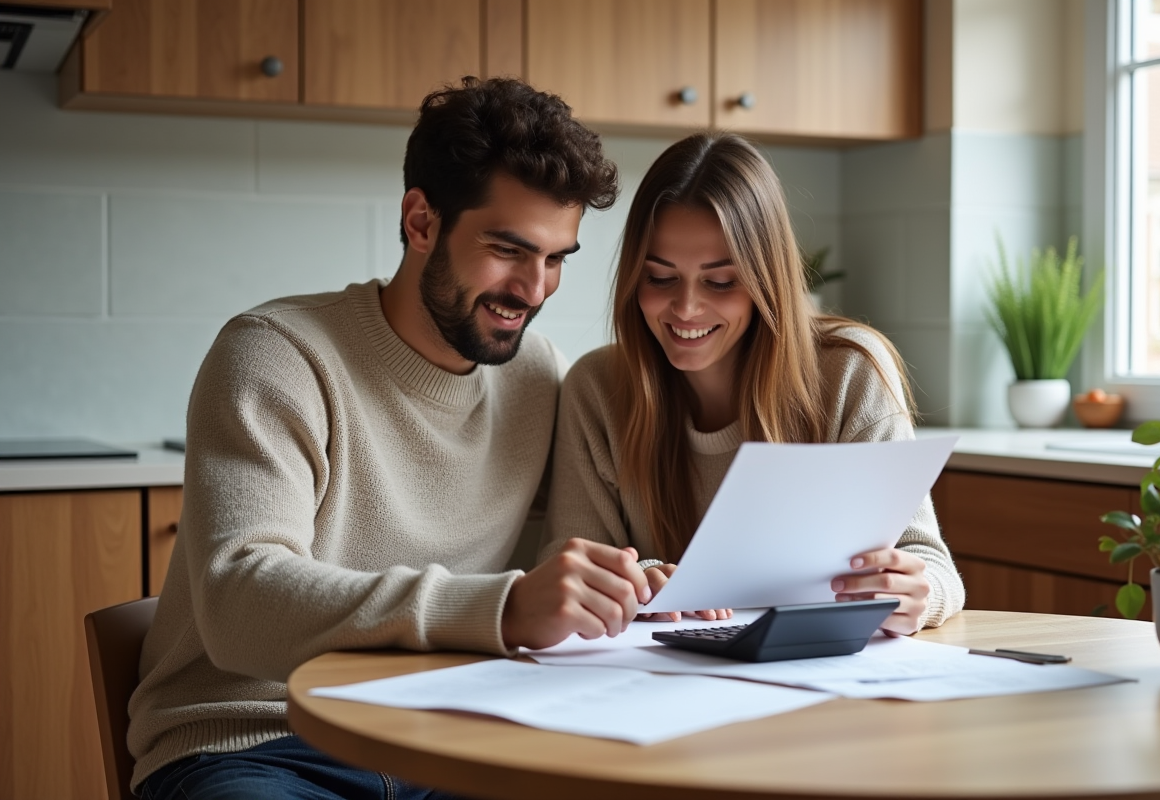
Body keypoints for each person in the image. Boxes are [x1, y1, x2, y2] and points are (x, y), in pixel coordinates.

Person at [127, 78, 654, 800]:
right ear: (421, 221)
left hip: (447, 737)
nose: (533, 289)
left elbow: (555, 564)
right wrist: (502, 609)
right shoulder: (277, 354)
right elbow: (239, 603)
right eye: (508, 249)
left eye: (557, 258)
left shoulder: (536, 377)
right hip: (256, 744)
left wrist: (626, 582)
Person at [540, 132, 965, 634]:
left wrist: (920, 593)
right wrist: (646, 582)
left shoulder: (850, 371)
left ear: (766, 279)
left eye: (720, 282)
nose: (687, 308)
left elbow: (927, 561)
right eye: (660, 278)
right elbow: (570, 570)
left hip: (816, 680)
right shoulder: (597, 389)